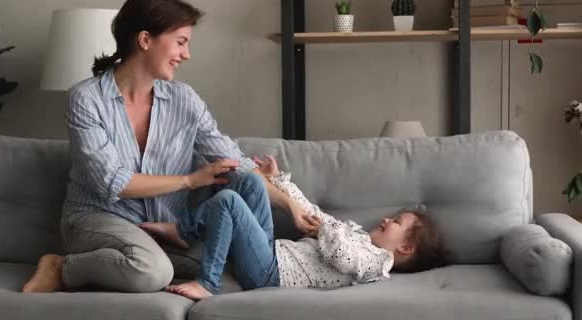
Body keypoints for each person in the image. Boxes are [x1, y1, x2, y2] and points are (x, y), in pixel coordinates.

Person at [22, 0, 318, 294]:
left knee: (229, 275)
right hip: (98, 219)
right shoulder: (86, 99)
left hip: (162, 229)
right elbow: (112, 181)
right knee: (152, 272)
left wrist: (291, 205)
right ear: (145, 40)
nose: (186, 55)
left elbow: (233, 160)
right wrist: (190, 181)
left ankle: (144, 261)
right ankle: (62, 268)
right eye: (180, 42)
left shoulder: (184, 100)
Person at [165, 155, 450, 300]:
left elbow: (344, 257)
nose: (387, 219)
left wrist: (325, 230)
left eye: (396, 222)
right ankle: (184, 231)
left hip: (269, 273)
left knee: (228, 201)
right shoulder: (359, 236)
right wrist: (279, 181)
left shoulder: (377, 263)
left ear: (405, 247)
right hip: (268, 252)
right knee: (252, 182)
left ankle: (208, 282)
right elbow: (311, 213)